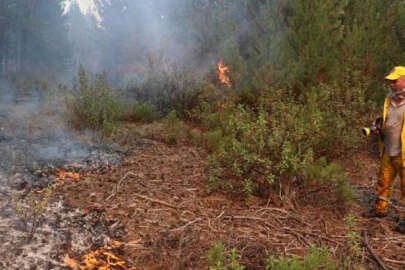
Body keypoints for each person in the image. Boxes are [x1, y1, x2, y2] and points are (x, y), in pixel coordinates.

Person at [371, 66, 405, 233]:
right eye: (390, 81)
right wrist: (377, 126)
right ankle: (380, 210)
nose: (391, 84)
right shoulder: (388, 100)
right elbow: (384, 119)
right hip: (388, 149)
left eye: (395, 81)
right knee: (383, 182)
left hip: (404, 154)